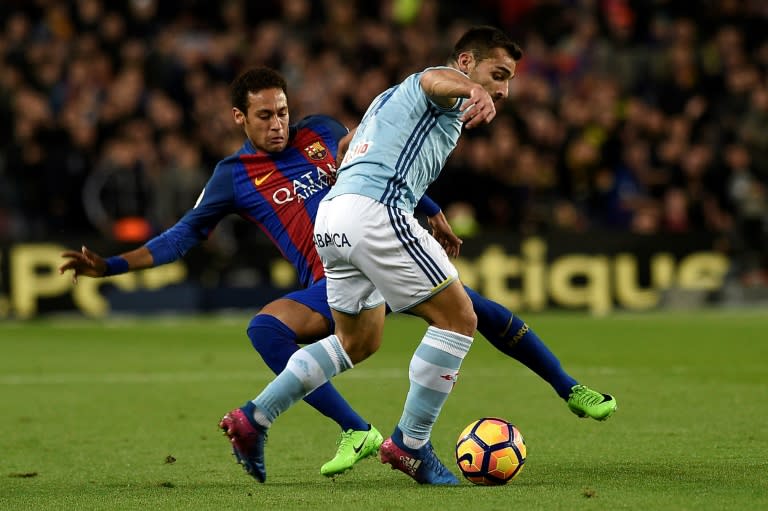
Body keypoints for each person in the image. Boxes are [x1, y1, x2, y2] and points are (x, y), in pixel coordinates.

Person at [60, 63, 615, 484]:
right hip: (331, 270)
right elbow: (182, 235)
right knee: (277, 328)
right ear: (239, 118)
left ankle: (569, 388)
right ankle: (367, 431)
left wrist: (431, 210)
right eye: (264, 116)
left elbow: (380, 159)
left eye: (282, 112)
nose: (278, 124)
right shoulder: (233, 176)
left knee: (471, 312)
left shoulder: (323, 131)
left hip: (379, 236)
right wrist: (109, 265)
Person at [216, 27, 615, 487]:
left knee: (356, 342)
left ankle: (255, 417)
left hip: (334, 219)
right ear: (466, 61)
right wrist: (469, 89)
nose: (502, 90)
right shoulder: (438, 81)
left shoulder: (387, 99)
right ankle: (410, 444)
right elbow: (435, 81)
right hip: (378, 213)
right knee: (460, 319)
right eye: (496, 74)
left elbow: (346, 149)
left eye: (508, 81)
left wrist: (431, 210)